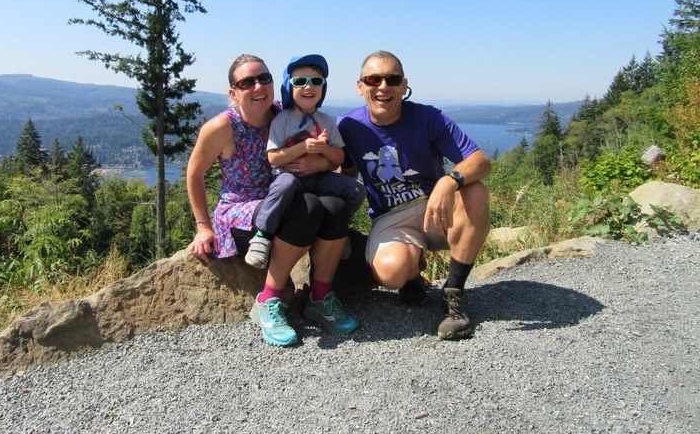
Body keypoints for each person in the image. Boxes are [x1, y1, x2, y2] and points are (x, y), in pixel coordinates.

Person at [186, 54, 359, 347]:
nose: (258, 86)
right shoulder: (222, 127)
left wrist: (320, 164)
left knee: (336, 206)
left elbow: (324, 151)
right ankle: (268, 301)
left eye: (263, 78)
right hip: (243, 207)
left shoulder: (285, 113)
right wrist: (203, 227)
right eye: (247, 82)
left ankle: (320, 298)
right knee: (307, 207)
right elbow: (194, 173)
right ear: (233, 92)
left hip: (289, 195)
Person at [337, 50, 492, 340]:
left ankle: (453, 294)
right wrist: (333, 225)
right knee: (391, 272)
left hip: (437, 207)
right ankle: (411, 276)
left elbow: (481, 162)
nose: (383, 87)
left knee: (475, 191)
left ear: (404, 85)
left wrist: (450, 180)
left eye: (392, 79)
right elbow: (345, 174)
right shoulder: (348, 126)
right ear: (360, 86)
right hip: (392, 217)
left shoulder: (428, 118)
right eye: (373, 79)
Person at [245, 54, 366, 269]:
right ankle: (262, 235)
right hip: (289, 177)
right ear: (289, 87)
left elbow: (339, 158)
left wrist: (324, 149)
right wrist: (303, 147)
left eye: (316, 81)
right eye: (300, 81)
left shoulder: (326, 121)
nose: (308, 87)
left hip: (320, 178)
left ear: (323, 88)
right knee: (284, 186)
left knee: (356, 190)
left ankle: (334, 230)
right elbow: (273, 157)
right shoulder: (282, 120)